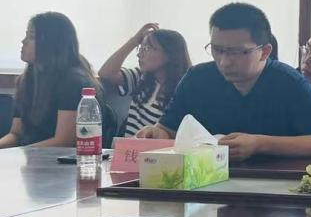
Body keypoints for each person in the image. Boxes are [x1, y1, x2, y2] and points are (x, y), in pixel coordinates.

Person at [136, 3, 311, 160]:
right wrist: (155, 134)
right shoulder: (196, 79)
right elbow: (167, 129)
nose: (224, 61)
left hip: (274, 184)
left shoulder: (289, 82)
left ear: (265, 52)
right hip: (205, 183)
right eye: (217, 50)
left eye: (237, 52)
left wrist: (260, 144)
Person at [0, 12, 103, 149]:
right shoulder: (27, 79)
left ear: (51, 43)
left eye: (32, 37)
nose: (23, 41)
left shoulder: (73, 81)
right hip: (31, 155)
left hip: (57, 159)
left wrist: (18, 153)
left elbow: (63, 141)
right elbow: (16, 134)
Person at [99, 24, 192, 138]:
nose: (139, 54)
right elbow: (105, 73)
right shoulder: (141, 77)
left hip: (155, 149)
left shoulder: (183, 90)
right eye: (140, 48)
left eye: (147, 48)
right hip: (127, 147)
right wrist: (134, 41)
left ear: (169, 55)